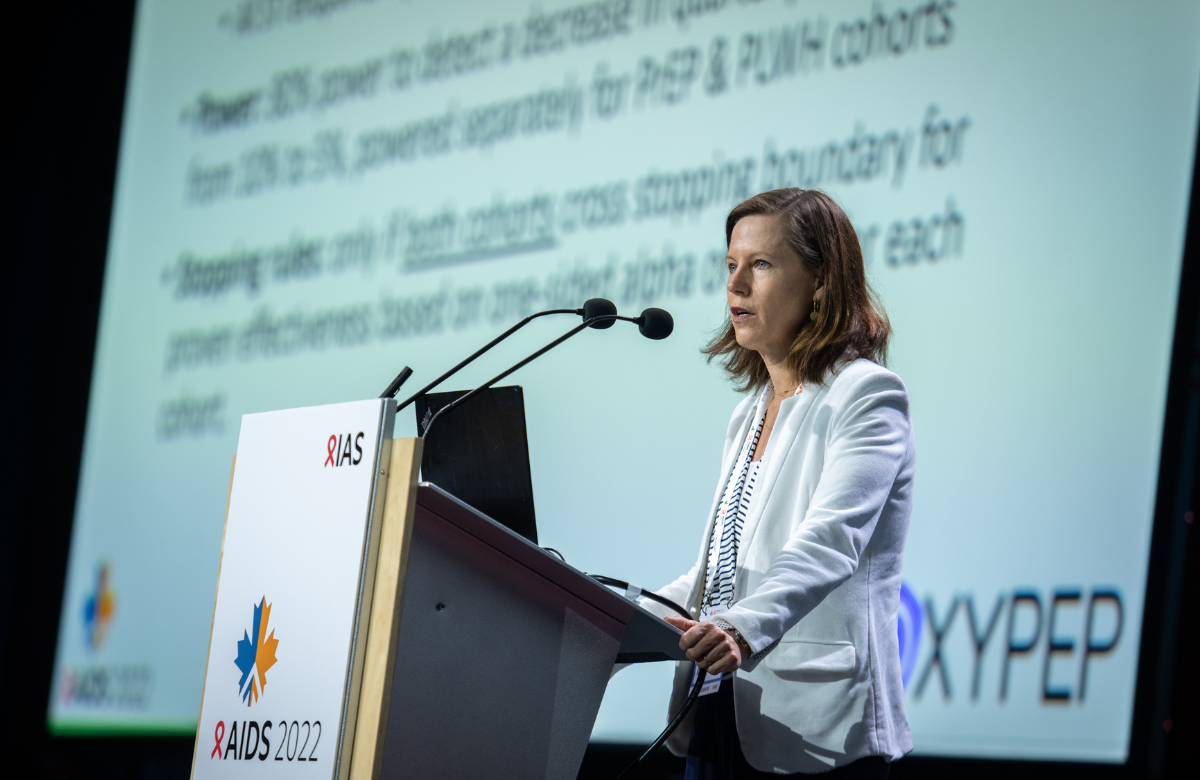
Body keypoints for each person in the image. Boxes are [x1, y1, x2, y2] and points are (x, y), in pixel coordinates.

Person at [654, 188, 914, 778]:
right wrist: (616, 618)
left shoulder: (867, 395)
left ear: (821, 281)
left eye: (761, 265)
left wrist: (740, 629)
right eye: (730, 265)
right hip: (719, 710)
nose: (736, 285)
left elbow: (830, 541)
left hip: (817, 731)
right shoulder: (750, 410)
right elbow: (724, 567)